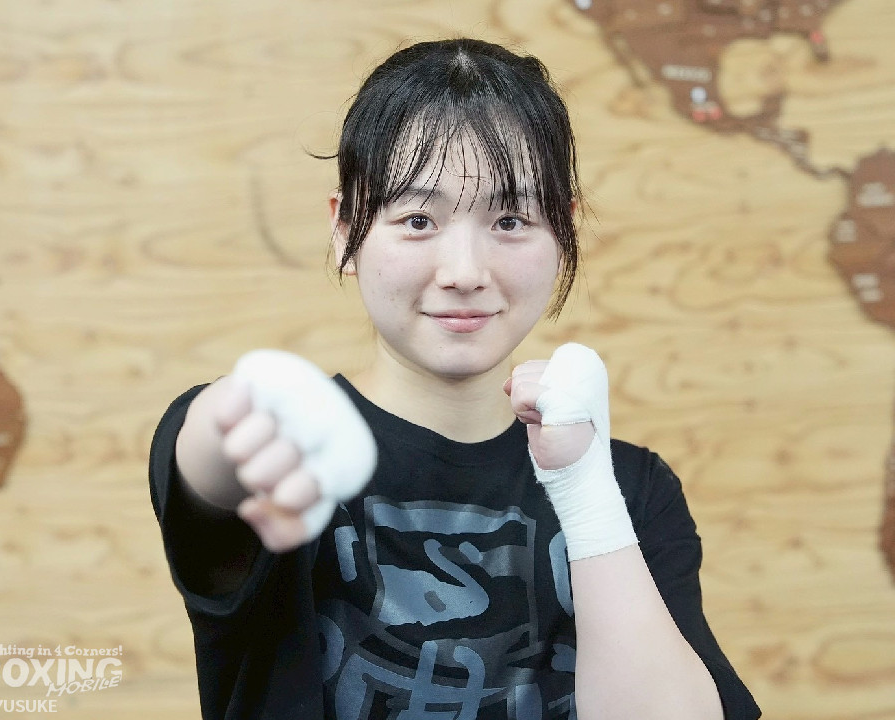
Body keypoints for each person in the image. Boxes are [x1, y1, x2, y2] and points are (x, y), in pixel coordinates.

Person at [149, 38, 761, 720]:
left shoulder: (631, 488)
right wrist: (237, 420)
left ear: (563, 233)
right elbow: (208, 462)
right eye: (418, 220)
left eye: (510, 220)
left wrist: (585, 490)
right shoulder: (285, 443)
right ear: (345, 230)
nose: (465, 271)